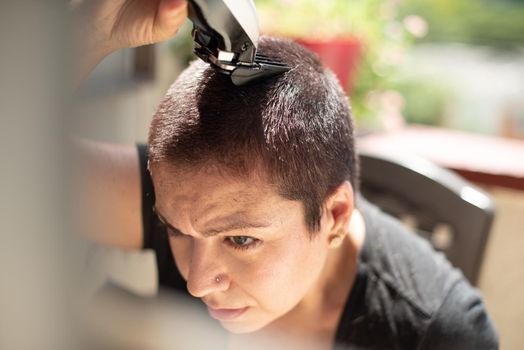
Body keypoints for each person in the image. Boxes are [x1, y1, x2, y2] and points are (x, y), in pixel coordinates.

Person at [73, 1, 499, 349]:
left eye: (241, 240)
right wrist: (91, 33)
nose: (199, 283)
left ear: (334, 216)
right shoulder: (191, 200)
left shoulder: (441, 333)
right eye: (174, 230)